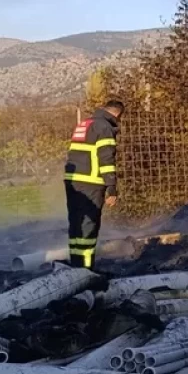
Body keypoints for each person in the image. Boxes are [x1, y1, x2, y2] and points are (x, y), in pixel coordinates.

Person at [64, 100, 124, 269]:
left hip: (72, 181)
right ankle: (86, 271)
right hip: (91, 182)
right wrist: (111, 188)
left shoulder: (85, 123)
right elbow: (106, 159)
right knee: (89, 227)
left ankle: (76, 266)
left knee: (76, 224)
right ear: (117, 115)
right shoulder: (104, 128)